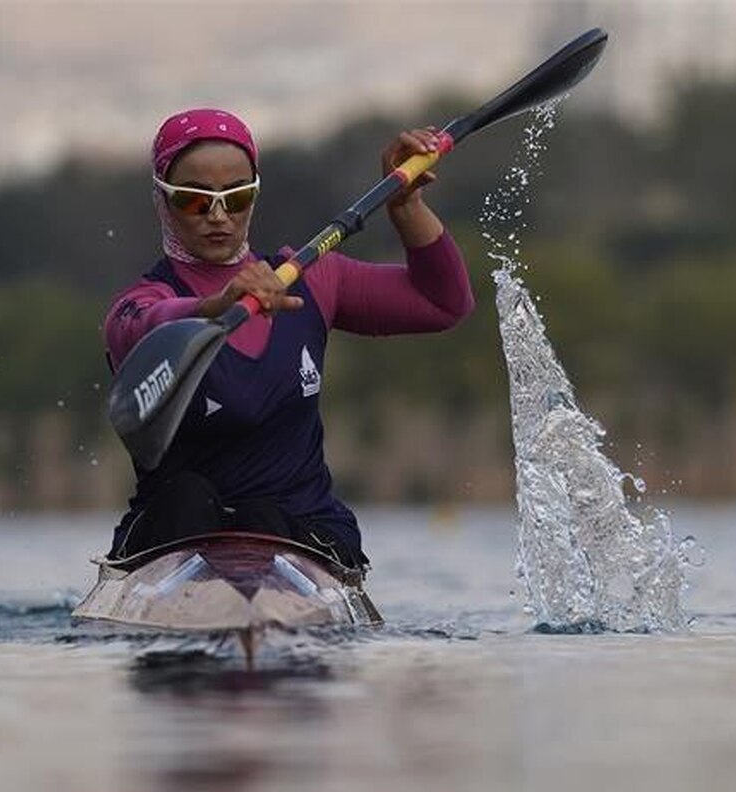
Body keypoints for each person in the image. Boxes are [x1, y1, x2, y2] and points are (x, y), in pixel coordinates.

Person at [104, 108, 473, 571]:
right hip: (175, 531)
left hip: (300, 529)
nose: (218, 216)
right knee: (188, 498)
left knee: (264, 516)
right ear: (163, 200)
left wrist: (407, 208)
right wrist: (217, 304)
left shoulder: (311, 278)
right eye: (195, 200)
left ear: (255, 195)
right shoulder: (140, 304)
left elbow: (443, 303)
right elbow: (143, 325)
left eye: (236, 197)